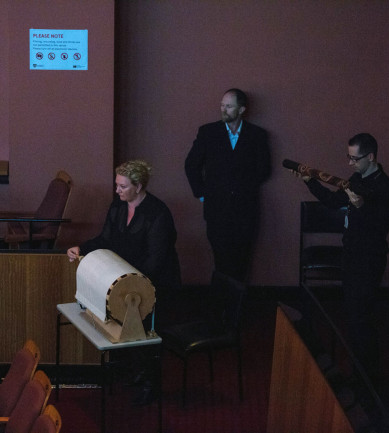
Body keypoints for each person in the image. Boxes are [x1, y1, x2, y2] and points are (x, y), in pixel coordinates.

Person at [67, 160, 181, 405]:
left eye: (122, 186)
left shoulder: (158, 213)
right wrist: (82, 248)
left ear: (138, 186)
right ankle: (139, 373)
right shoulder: (117, 207)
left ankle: (152, 384)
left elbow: (156, 259)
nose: (117, 191)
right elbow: (105, 238)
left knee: (146, 332)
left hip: (156, 281)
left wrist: (130, 284)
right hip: (128, 278)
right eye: (116, 185)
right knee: (128, 329)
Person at [297, 132, 389, 384]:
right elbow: (333, 201)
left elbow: (379, 227)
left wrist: (361, 207)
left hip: (369, 260)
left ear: (371, 157)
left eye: (355, 158)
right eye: (348, 157)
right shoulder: (357, 178)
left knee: (361, 318)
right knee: (353, 317)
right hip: (351, 256)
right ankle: (359, 373)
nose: (350, 163)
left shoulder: (385, 187)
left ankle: (367, 378)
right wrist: (310, 182)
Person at [185, 88, 271, 282]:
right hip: (216, 209)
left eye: (229, 106)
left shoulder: (257, 135)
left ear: (242, 110)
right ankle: (221, 306)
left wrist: (242, 188)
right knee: (221, 260)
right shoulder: (208, 132)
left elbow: (264, 169)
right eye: (222, 105)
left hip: (246, 210)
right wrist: (202, 194)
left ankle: (238, 307)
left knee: (242, 261)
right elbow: (191, 164)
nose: (223, 109)